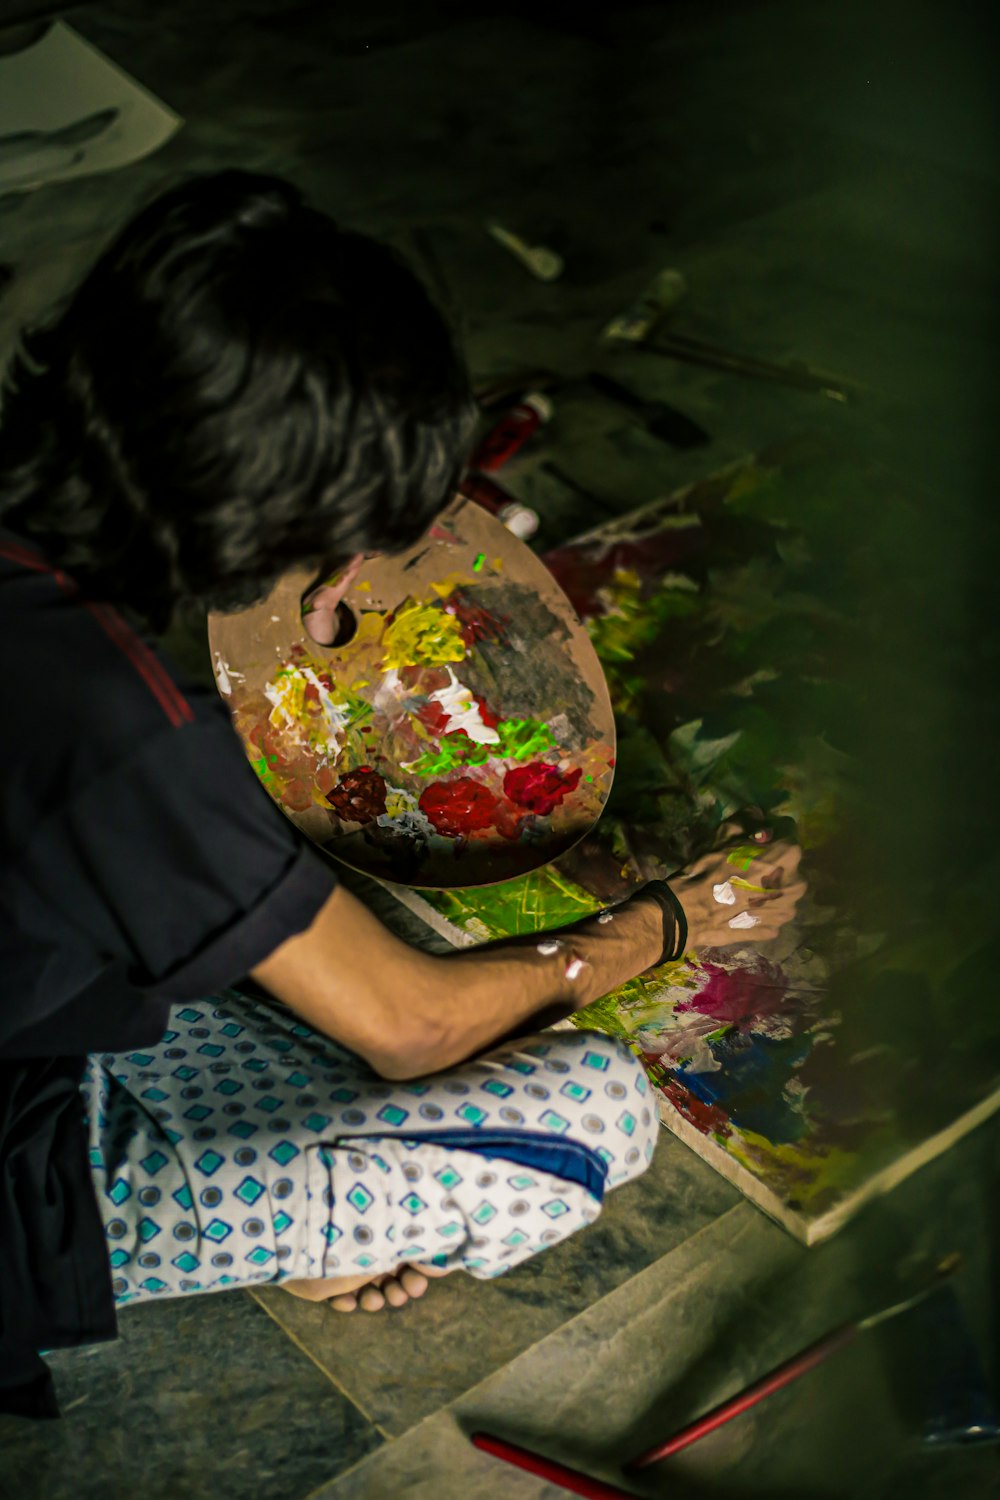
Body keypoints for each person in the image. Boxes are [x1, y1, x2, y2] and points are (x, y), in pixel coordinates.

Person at [0, 170, 804, 1418]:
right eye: (352, 537)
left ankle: (287, 1196)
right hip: (14, 1148)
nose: (356, 575)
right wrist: (659, 929)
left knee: (249, 960)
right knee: (586, 1108)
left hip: (32, 994)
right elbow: (413, 1028)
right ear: (268, 512)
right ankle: (284, 1233)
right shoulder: (123, 734)